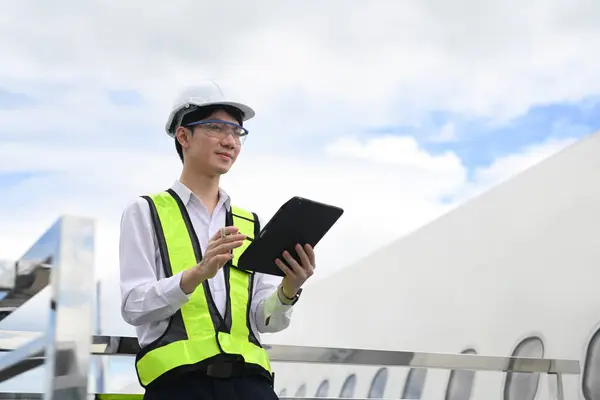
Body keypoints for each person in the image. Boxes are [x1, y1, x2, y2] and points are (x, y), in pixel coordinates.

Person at [118, 81, 316, 400]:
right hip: (179, 386)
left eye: (237, 133)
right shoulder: (146, 211)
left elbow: (264, 321)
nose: (230, 141)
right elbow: (133, 306)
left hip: (253, 386)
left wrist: (289, 289)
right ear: (183, 136)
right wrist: (196, 274)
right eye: (216, 127)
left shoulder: (250, 222)